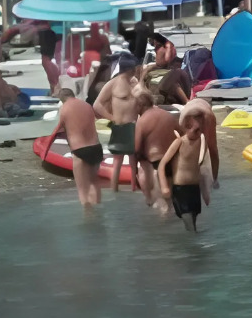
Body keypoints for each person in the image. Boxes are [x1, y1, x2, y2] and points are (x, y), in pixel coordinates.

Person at [93, 57, 141, 192]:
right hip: (119, 125)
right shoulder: (113, 84)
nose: (134, 71)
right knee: (117, 161)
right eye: (132, 69)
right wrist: (111, 117)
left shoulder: (134, 82)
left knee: (134, 161)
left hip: (133, 125)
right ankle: (114, 191)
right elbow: (97, 104)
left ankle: (134, 188)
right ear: (126, 69)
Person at [157, 114, 211, 231]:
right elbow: (162, 164)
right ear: (186, 127)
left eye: (200, 130)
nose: (197, 133)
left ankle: (192, 246)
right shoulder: (179, 142)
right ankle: (195, 247)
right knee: (190, 225)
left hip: (194, 189)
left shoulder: (202, 142)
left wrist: (205, 192)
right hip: (180, 189)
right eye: (195, 130)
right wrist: (164, 186)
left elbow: (201, 168)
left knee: (193, 225)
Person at [53, 87, 102, 207]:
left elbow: (58, 129)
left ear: (62, 98)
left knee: (82, 189)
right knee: (93, 183)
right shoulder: (87, 105)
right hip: (96, 147)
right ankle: (98, 214)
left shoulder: (64, 109)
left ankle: (88, 217)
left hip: (79, 149)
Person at [133, 91, 178, 210]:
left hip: (157, 164)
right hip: (174, 162)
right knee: (171, 204)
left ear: (140, 105)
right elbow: (182, 135)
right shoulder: (168, 115)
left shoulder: (142, 121)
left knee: (162, 206)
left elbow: (136, 149)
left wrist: (134, 174)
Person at [142, 35, 191, 105]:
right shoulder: (149, 69)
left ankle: (187, 102)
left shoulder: (177, 71)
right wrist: (146, 71)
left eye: (158, 46)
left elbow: (170, 85)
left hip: (167, 98)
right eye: (155, 47)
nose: (155, 50)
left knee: (174, 76)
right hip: (154, 96)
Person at [37, 22, 60, 95]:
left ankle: (55, 87)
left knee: (47, 59)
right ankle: (56, 87)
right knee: (60, 58)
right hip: (65, 26)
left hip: (50, 27)